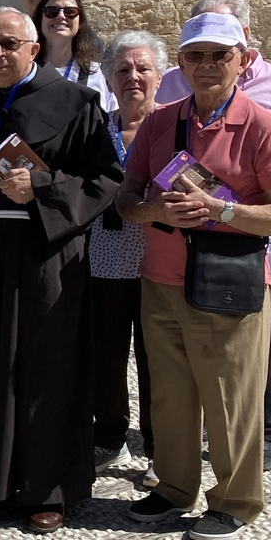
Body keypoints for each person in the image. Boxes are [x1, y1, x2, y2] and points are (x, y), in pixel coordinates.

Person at [0, 9, 122, 534]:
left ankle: (46, 488)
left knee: (44, 369)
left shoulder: (77, 104)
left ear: (34, 49)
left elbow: (106, 178)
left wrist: (45, 189)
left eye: (9, 44)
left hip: (45, 255)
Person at [118, 11, 271, 540]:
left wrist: (218, 211)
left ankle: (236, 501)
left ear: (242, 61)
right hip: (161, 278)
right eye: (196, 55)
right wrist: (155, 211)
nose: (207, 66)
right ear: (181, 63)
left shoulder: (262, 124)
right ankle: (174, 487)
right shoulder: (160, 122)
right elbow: (126, 199)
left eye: (220, 55)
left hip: (229, 281)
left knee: (231, 396)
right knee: (170, 394)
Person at [156, 0, 271, 469]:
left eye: (221, 45)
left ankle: (261, 431)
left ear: (244, 42)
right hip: (182, 238)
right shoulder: (174, 84)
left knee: (256, 337)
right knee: (188, 335)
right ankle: (191, 435)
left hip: (253, 237)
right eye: (197, 48)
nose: (207, 59)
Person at [90, 31, 166, 474]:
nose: (133, 77)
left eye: (142, 69)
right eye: (123, 70)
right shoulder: (97, 129)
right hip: (102, 258)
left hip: (158, 260)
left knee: (158, 358)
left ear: (159, 76)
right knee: (106, 354)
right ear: (109, 78)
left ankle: (159, 446)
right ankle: (108, 435)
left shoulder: (174, 127)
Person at [33, 0, 115, 111]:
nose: (61, 16)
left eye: (70, 12)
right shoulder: (25, 71)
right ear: (41, 19)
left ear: (80, 21)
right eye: (52, 11)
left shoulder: (100, 75)